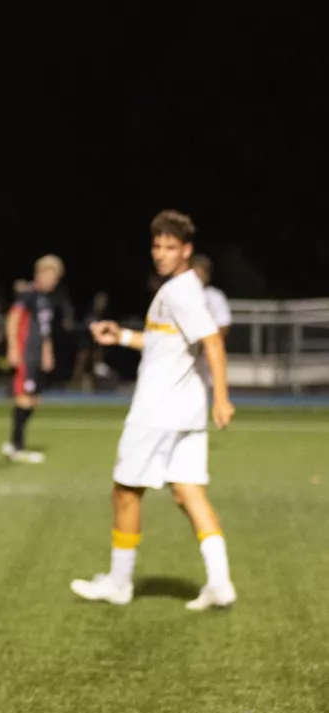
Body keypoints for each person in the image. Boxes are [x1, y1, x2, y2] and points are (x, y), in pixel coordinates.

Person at [71, 210, 236, 610]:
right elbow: (166, 344)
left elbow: (212, 342)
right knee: (188, 494)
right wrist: (123, 336)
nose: (160, 254)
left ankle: (119, 583)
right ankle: (220, 583)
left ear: (187, 250)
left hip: (157, 412)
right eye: (156, 246)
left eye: (170, 247)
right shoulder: (180, 289)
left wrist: (222, 397)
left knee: (125, 491)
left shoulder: (181, 291)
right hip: (184, 413)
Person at [2, 255, 63, 463]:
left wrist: (48, 351)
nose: (53, 280)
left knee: (34, 400)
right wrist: (12, 347)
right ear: (40, 273)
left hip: (37, 354)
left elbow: (44, 330)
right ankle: (16, 447)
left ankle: (14, 443)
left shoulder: (47, 299)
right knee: (23, 398)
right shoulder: (28, 295)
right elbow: (13, 318)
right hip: (25, 353)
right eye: (51, 275)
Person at [192, 254, 233, 338]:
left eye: (201, 274)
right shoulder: (179, 293)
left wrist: (212, 346)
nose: (197, 279)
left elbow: (223, 324)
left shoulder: (216, 296)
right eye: (195, 275)